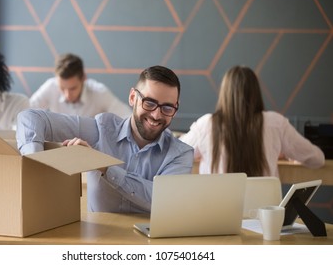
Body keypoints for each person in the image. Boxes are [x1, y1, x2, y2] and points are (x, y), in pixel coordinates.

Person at [17, 65, 194, 213]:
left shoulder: (181, 154)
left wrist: (103, 166)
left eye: (167, 108)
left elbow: (164, 200)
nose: (156, 115)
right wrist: (34, 165)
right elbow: (30, 118)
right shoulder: (101, 129)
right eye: (149, 103)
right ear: (133, 97)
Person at [180, 65, 325, 177]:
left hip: (217, 214)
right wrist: (282, 151)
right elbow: (317, 159)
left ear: (224, 93)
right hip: (264, 214)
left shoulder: (206, 125)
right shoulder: (276, 123)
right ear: (255, 92)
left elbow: (175, 156)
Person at [30, 53, 131, 118]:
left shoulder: (99, 92)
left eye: (72, 88)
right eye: (62, 88)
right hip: (57, 147)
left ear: (84, 78)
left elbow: (127, 116)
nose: (67, 95)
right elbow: (26, 112)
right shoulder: (50, 87)